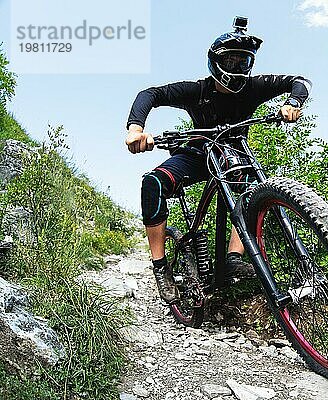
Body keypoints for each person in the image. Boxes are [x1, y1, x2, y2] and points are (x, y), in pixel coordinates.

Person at [125, 18, 311, 304]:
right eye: (231, 61)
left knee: (254, 194)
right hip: (198, 152)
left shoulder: (253, 87)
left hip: (235, 154)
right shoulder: (197, 90)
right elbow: (150, 94)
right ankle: (160, 267)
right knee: (153, 182)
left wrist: (293, 103)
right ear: (216, 62)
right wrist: (136, 129)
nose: (237, 68)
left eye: (243, 62)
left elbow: (299, 81)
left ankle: (234, 258)